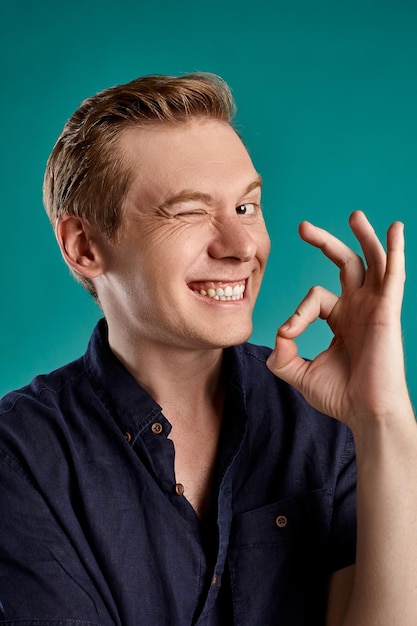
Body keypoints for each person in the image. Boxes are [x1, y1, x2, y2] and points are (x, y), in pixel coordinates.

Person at [0, 72, 416, 626]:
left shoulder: (324, 422)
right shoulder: (21, 459)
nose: (242, 246)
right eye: (189, 211)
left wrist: (384, 419)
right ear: (84, 247)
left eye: (247, 207)